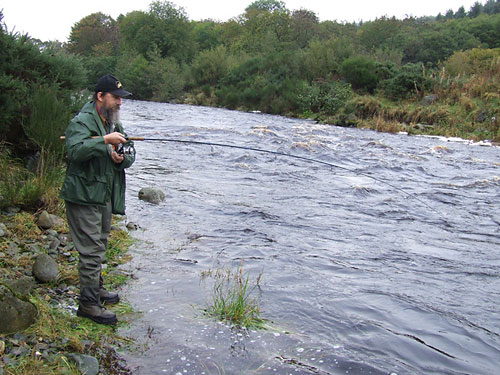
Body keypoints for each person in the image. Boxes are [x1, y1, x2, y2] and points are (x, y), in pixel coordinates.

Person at [60, 74, 135, 325]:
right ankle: (89, 305)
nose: (120, 103)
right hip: (83, 195)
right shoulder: (81, 122)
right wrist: (104, 141)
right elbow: (75, 150)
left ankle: (97, 288)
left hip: (103, 194)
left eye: (121, 99)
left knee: (100, 245)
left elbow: (131, 150)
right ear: (100, 96)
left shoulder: (115, 125)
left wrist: (121, 157)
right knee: (91, 251)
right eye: (116, 98)